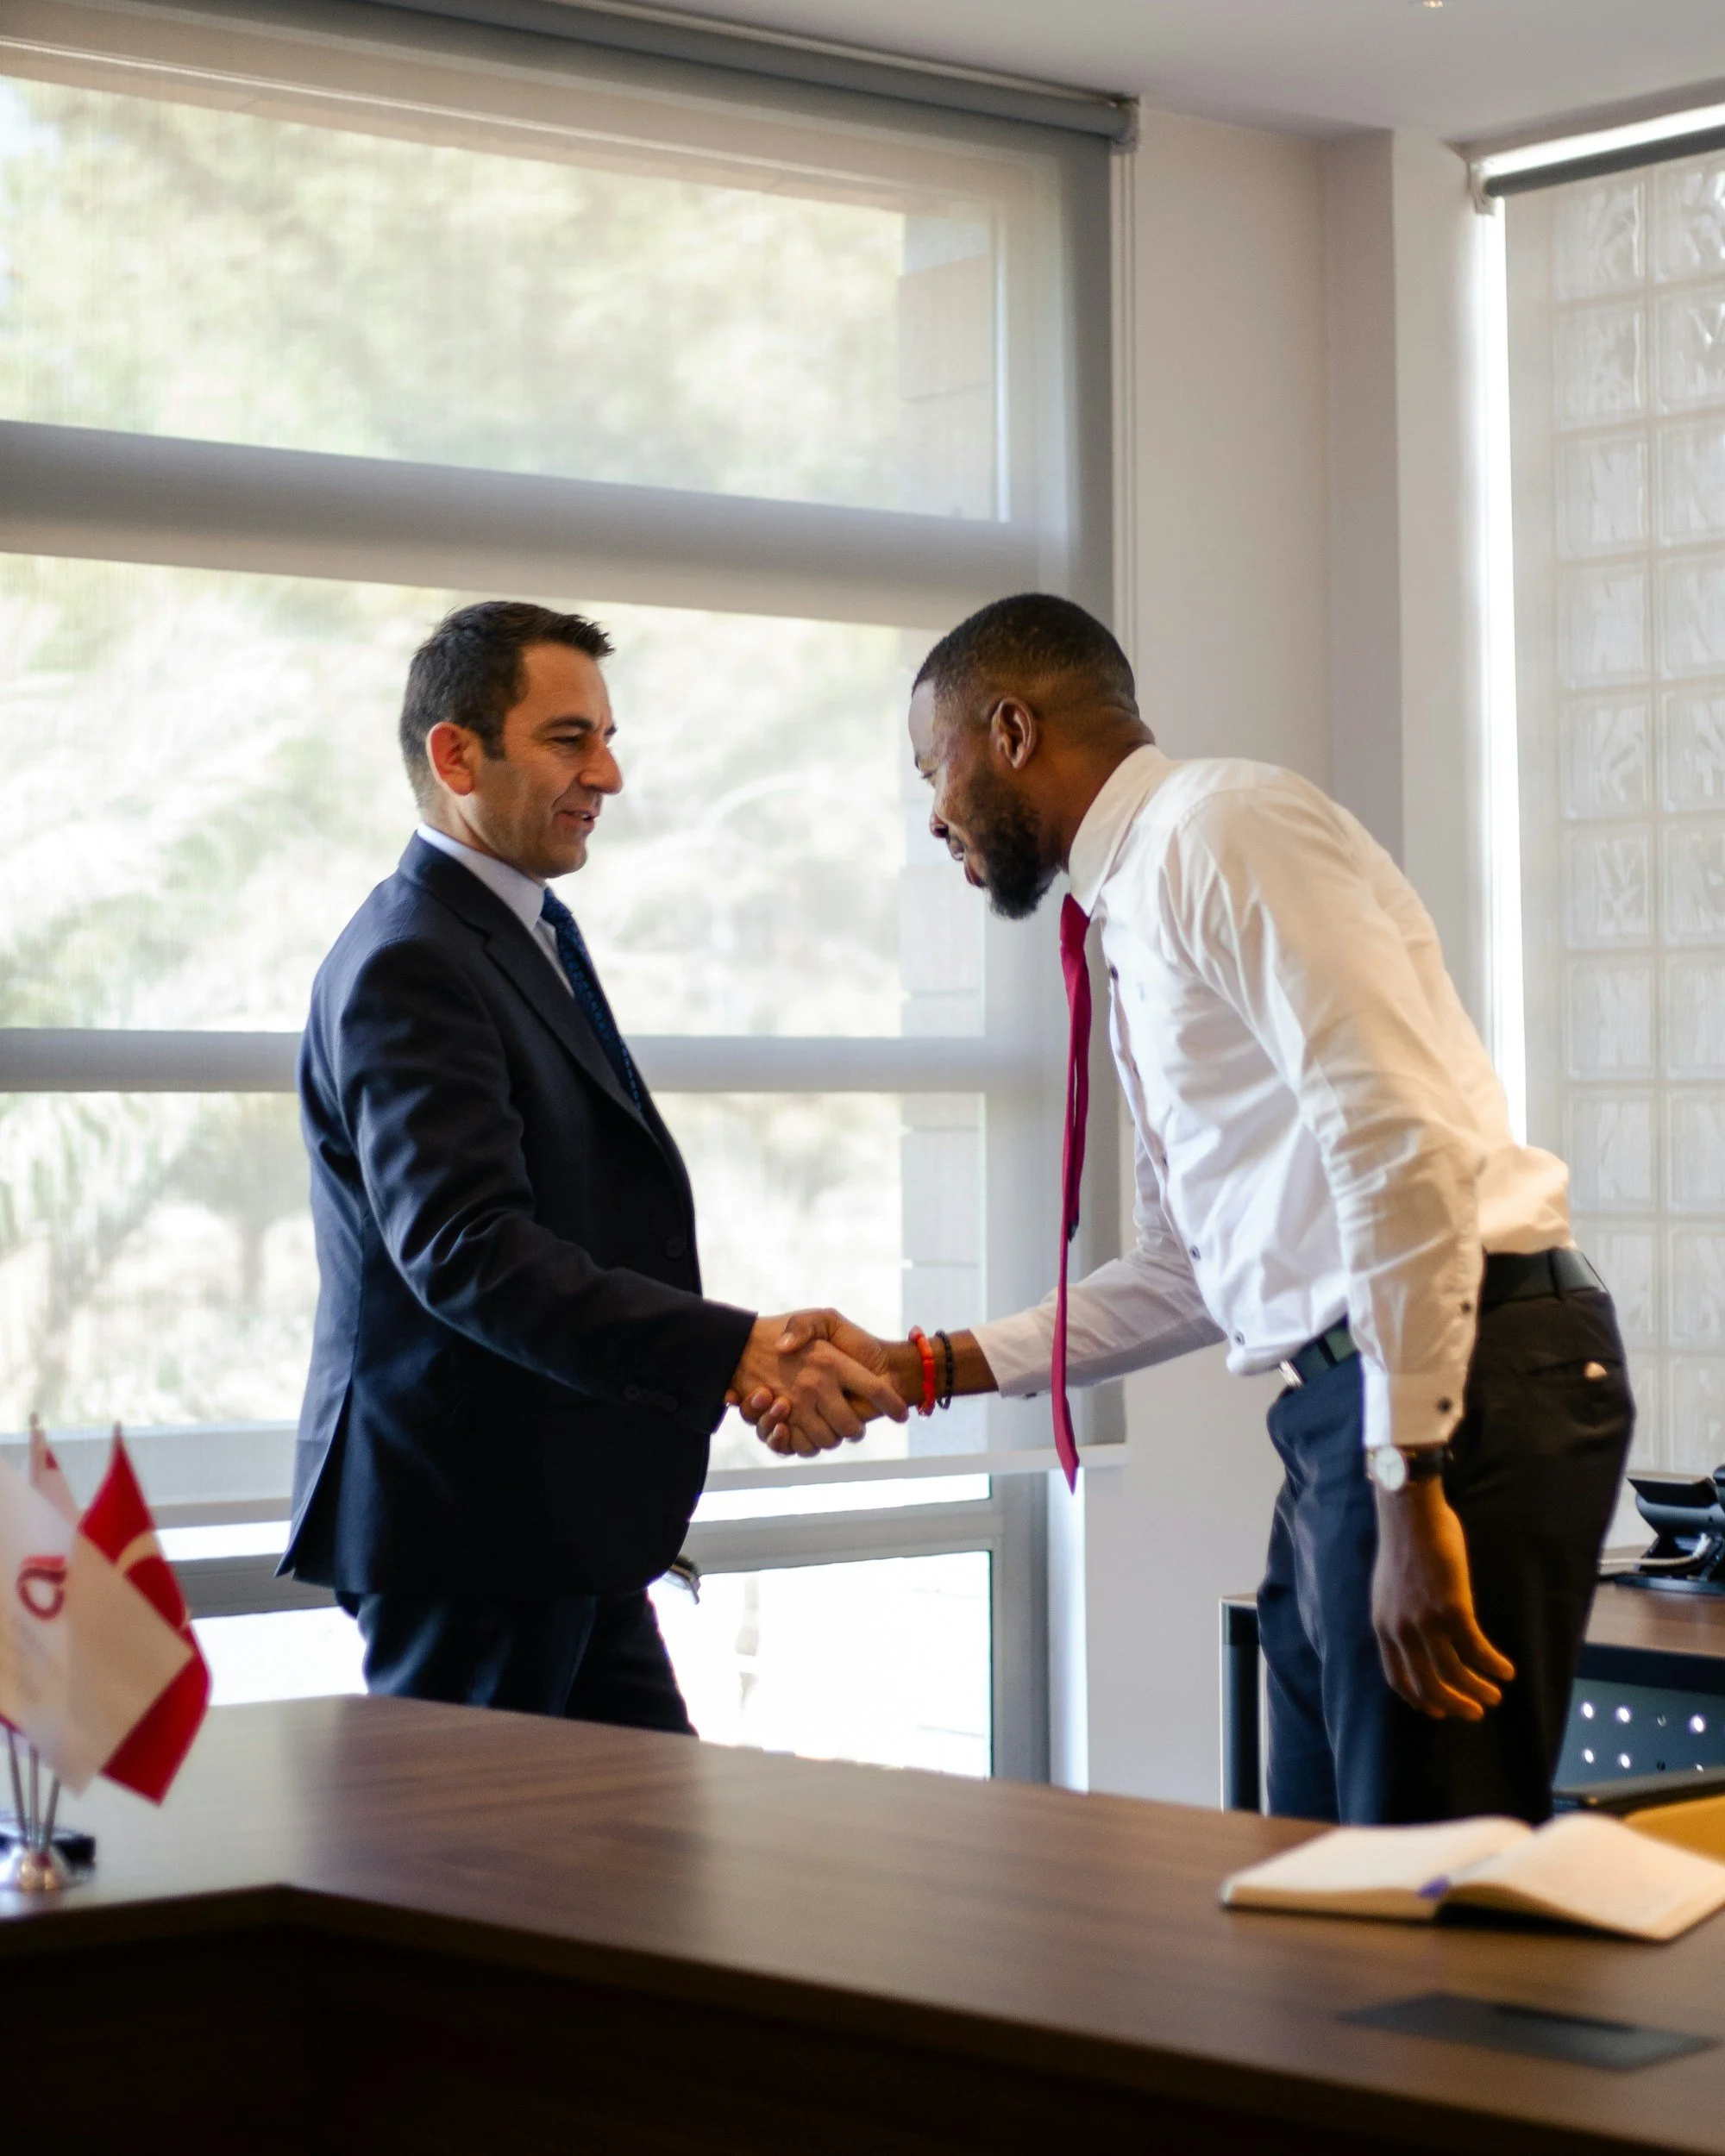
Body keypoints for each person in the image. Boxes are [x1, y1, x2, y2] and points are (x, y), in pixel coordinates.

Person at [754, 592, 1633, 1827]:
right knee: (1318, 1871)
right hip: (1359, 1408)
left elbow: (1396, 1136)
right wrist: (927, 1368)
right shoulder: (1136, 902)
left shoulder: (1224, 827)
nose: (934, 815)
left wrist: (1408, 1477)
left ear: (1011, 729)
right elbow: (1192, 1271)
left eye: (930, 768)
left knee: (1432, 1890)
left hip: (1455, 1387)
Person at [283, 599, 901, 1727]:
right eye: (571, 739)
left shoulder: (523, 925)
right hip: (472, 1542)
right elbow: (469, 1252)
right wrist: (735, 1349)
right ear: (455, 753)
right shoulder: (409, 961)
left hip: (555, 1533)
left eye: (609, 738)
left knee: (650, 1881)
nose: (608, 774)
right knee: (475, 1897)